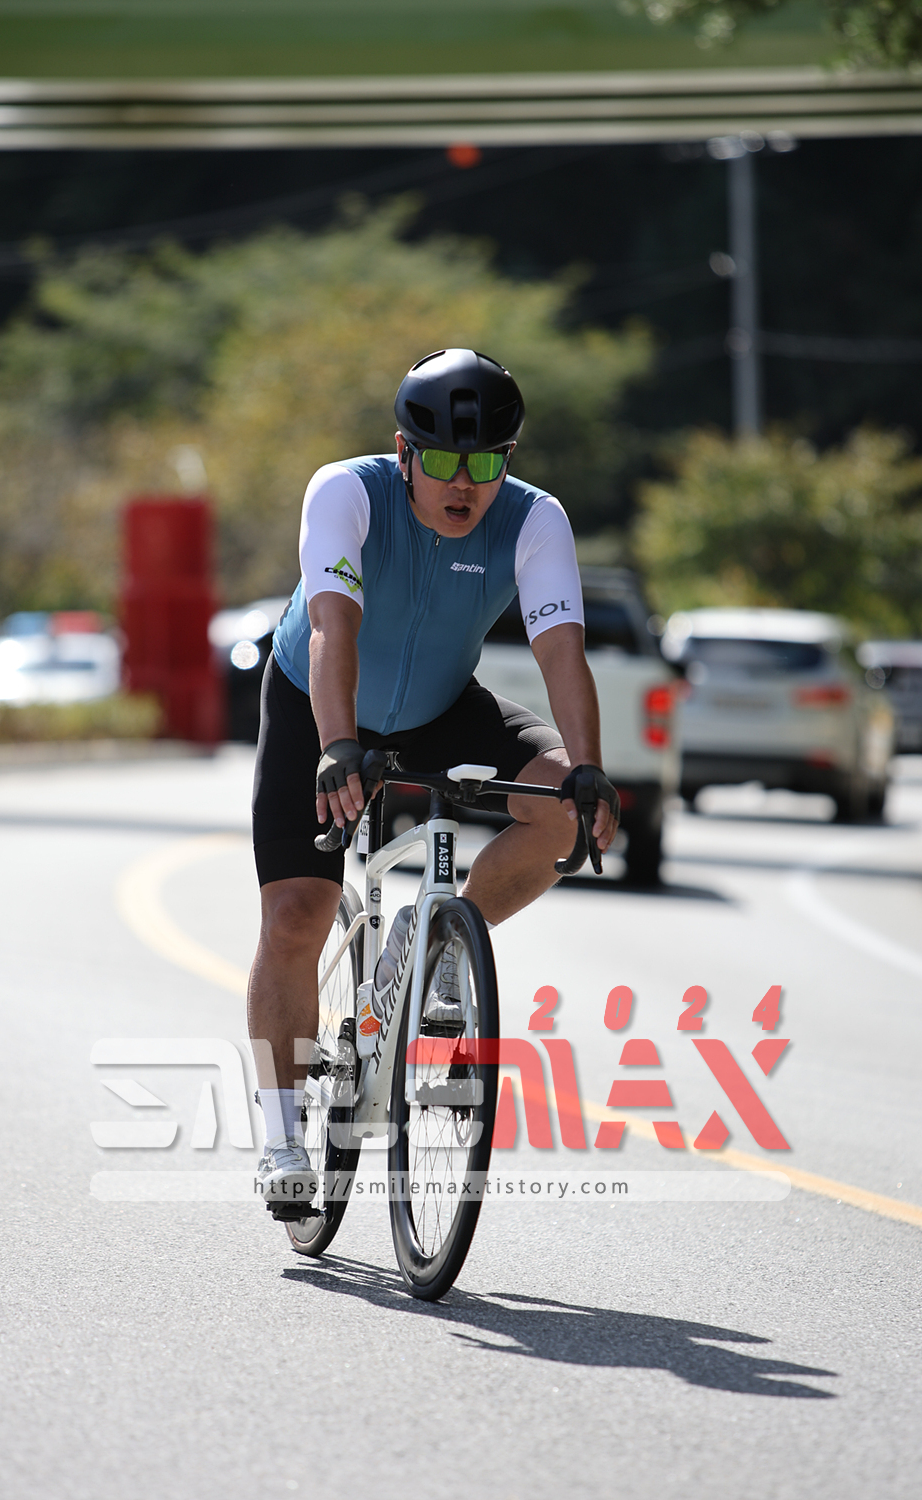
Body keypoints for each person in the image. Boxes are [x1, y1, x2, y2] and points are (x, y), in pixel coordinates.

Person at [249, 348, 619, 1203]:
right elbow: (334, 627)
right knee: (296, 914)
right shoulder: (345, 491)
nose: (464, 484)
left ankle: (443, 946)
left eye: (486, 465)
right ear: (403, 452)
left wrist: (590, 768)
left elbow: (561, 649)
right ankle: (281, 1140)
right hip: (318, 701)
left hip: (443, 705)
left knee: (564, 809)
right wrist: (338, 745)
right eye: (445, 461)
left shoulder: (534, 519)